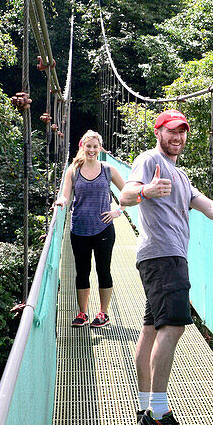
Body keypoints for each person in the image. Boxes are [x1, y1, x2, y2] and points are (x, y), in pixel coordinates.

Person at [118, 109, 213, 425]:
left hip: (163, 259)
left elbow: (209, 207)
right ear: (158, 132)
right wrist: (146, 191)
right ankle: (160, 415)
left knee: (150, 332)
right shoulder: (149, 160)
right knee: (172, 329)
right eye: (172, 131)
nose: (178, 137)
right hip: (164, 258)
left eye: (183, 132)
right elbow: (125, 196)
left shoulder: (181, 175)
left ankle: (145, 408)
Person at [54, 130, 127, 328]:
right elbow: (66, 194)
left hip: (103, 228)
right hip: (79, 229)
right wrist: (61, 200)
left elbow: (128, 192)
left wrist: (118, 211)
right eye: (89, 146)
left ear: (100, 148)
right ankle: (82, 313)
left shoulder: (108, 169)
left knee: (104, 270)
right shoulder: (74, 169)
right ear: (82, 147)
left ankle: (103, 313)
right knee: (82, 271)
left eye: (95, 147)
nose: (92, 150)